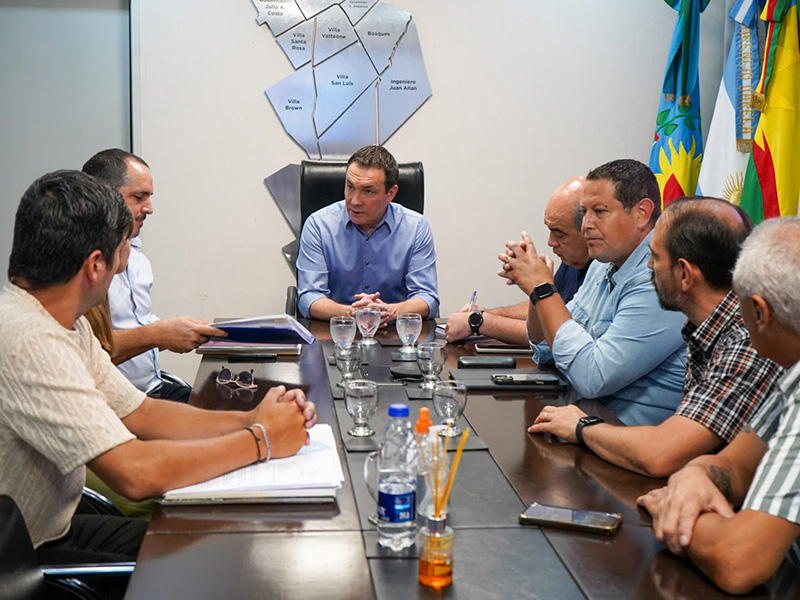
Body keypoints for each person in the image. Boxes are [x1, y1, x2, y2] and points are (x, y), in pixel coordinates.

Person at [0, 170, 317, 565]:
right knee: (207, 560)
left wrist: (251, 418)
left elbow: (143, 412)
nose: (124, 263)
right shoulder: (31, 342)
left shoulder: (64, 322)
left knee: (210, 543)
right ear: (96, 264)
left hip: (49, 528)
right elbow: (135, 473)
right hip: (19, 559)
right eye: (123, 248)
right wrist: (261, 439)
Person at [528, 197, 782, 477]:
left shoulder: (746, 343)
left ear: (684, 274)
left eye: (655, 257)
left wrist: (581, 426)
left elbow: (660, 454)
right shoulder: (704, 330)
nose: (648, 266)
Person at [637, 217, 800, 595]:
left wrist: (669, 509)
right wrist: (693, 479)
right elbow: (736, 463)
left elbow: (738, 560)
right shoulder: (790, 376)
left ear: (759, 312)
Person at [499, 159, 686, 426]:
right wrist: (535, 290)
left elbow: (592, 378)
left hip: (630, 436)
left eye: (599, 211)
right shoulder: (602, 263)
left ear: (642, 213)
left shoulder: (660, 277)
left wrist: (542, 288)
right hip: (586, 421)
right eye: (584, 212)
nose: (585, 224)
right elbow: (546, 348)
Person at [82, 149, 225, 402]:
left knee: (227, 406)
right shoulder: (82, 267)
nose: (149, 208)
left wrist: (183, 331)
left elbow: (137, 322)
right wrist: (159, 334)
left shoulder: (135, 253)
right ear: (104, 197)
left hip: (153, 387)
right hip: (115, 400)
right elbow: (92, 351)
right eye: (139, 197)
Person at [296, 145, 439, 325]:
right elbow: (308, 297)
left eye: (368, 191)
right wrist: (352, 313)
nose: (355, 201)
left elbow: (427, 297)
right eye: (350, 187)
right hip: (338, 331)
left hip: (397, 332)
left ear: (391, 193)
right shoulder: (318, 225)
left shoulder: (415, 227)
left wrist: (388, 312)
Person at [444, 176, 592, 344]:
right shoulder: (573, 261)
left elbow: (557, 335)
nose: (550, 242)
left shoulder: (601, 269)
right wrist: (486, 312)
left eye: (559, 234)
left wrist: (478, 321)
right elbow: (550, 311)